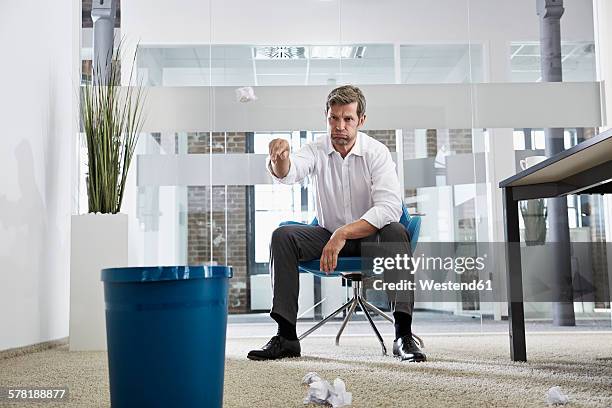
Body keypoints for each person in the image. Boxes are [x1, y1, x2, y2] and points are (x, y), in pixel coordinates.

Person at [247, 85, 425, 362]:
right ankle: (286, 337)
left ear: (361, 120)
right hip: (328, 236)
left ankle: (403, 336)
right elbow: (289, 174)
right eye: (334, 118)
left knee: (395, 230)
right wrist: (279, 159)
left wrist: (343, 233)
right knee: (282, 235)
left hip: (371, 239)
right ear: (327, 117)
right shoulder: (316, 149)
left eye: (348, 119)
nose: (339, 126)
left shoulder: (376, 153)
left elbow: (389, 207)